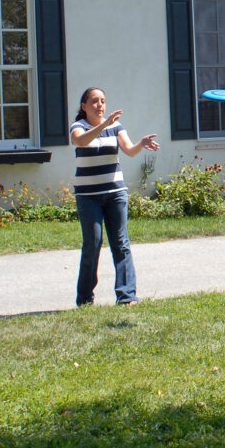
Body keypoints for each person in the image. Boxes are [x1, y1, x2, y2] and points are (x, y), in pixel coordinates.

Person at [70, 87, 159, 307]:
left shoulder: (116, 127)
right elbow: (81, 142)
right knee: (93, 243)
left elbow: (129, 150)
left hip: (115, 194)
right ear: (84, 106)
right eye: (94, 101)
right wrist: (103, 125)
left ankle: (127, 296)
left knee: (121, 243)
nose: (100, 105)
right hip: (88, 196)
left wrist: (141, 144)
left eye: (103, 101)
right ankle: (85, 298)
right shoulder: (78, 127)